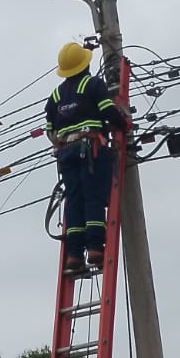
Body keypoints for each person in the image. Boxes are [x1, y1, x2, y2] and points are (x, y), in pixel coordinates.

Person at [45, 43, 129, 276]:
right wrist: (124, 124)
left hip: (66, 155)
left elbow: (50, 131)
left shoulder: (55, 96)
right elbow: (108, 111)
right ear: (85, 65)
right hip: (91, 150)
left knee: (74, 200)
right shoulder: (93, 85)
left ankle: (74, 254)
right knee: (93, 197)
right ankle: (94, 249)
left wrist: (63, 142)